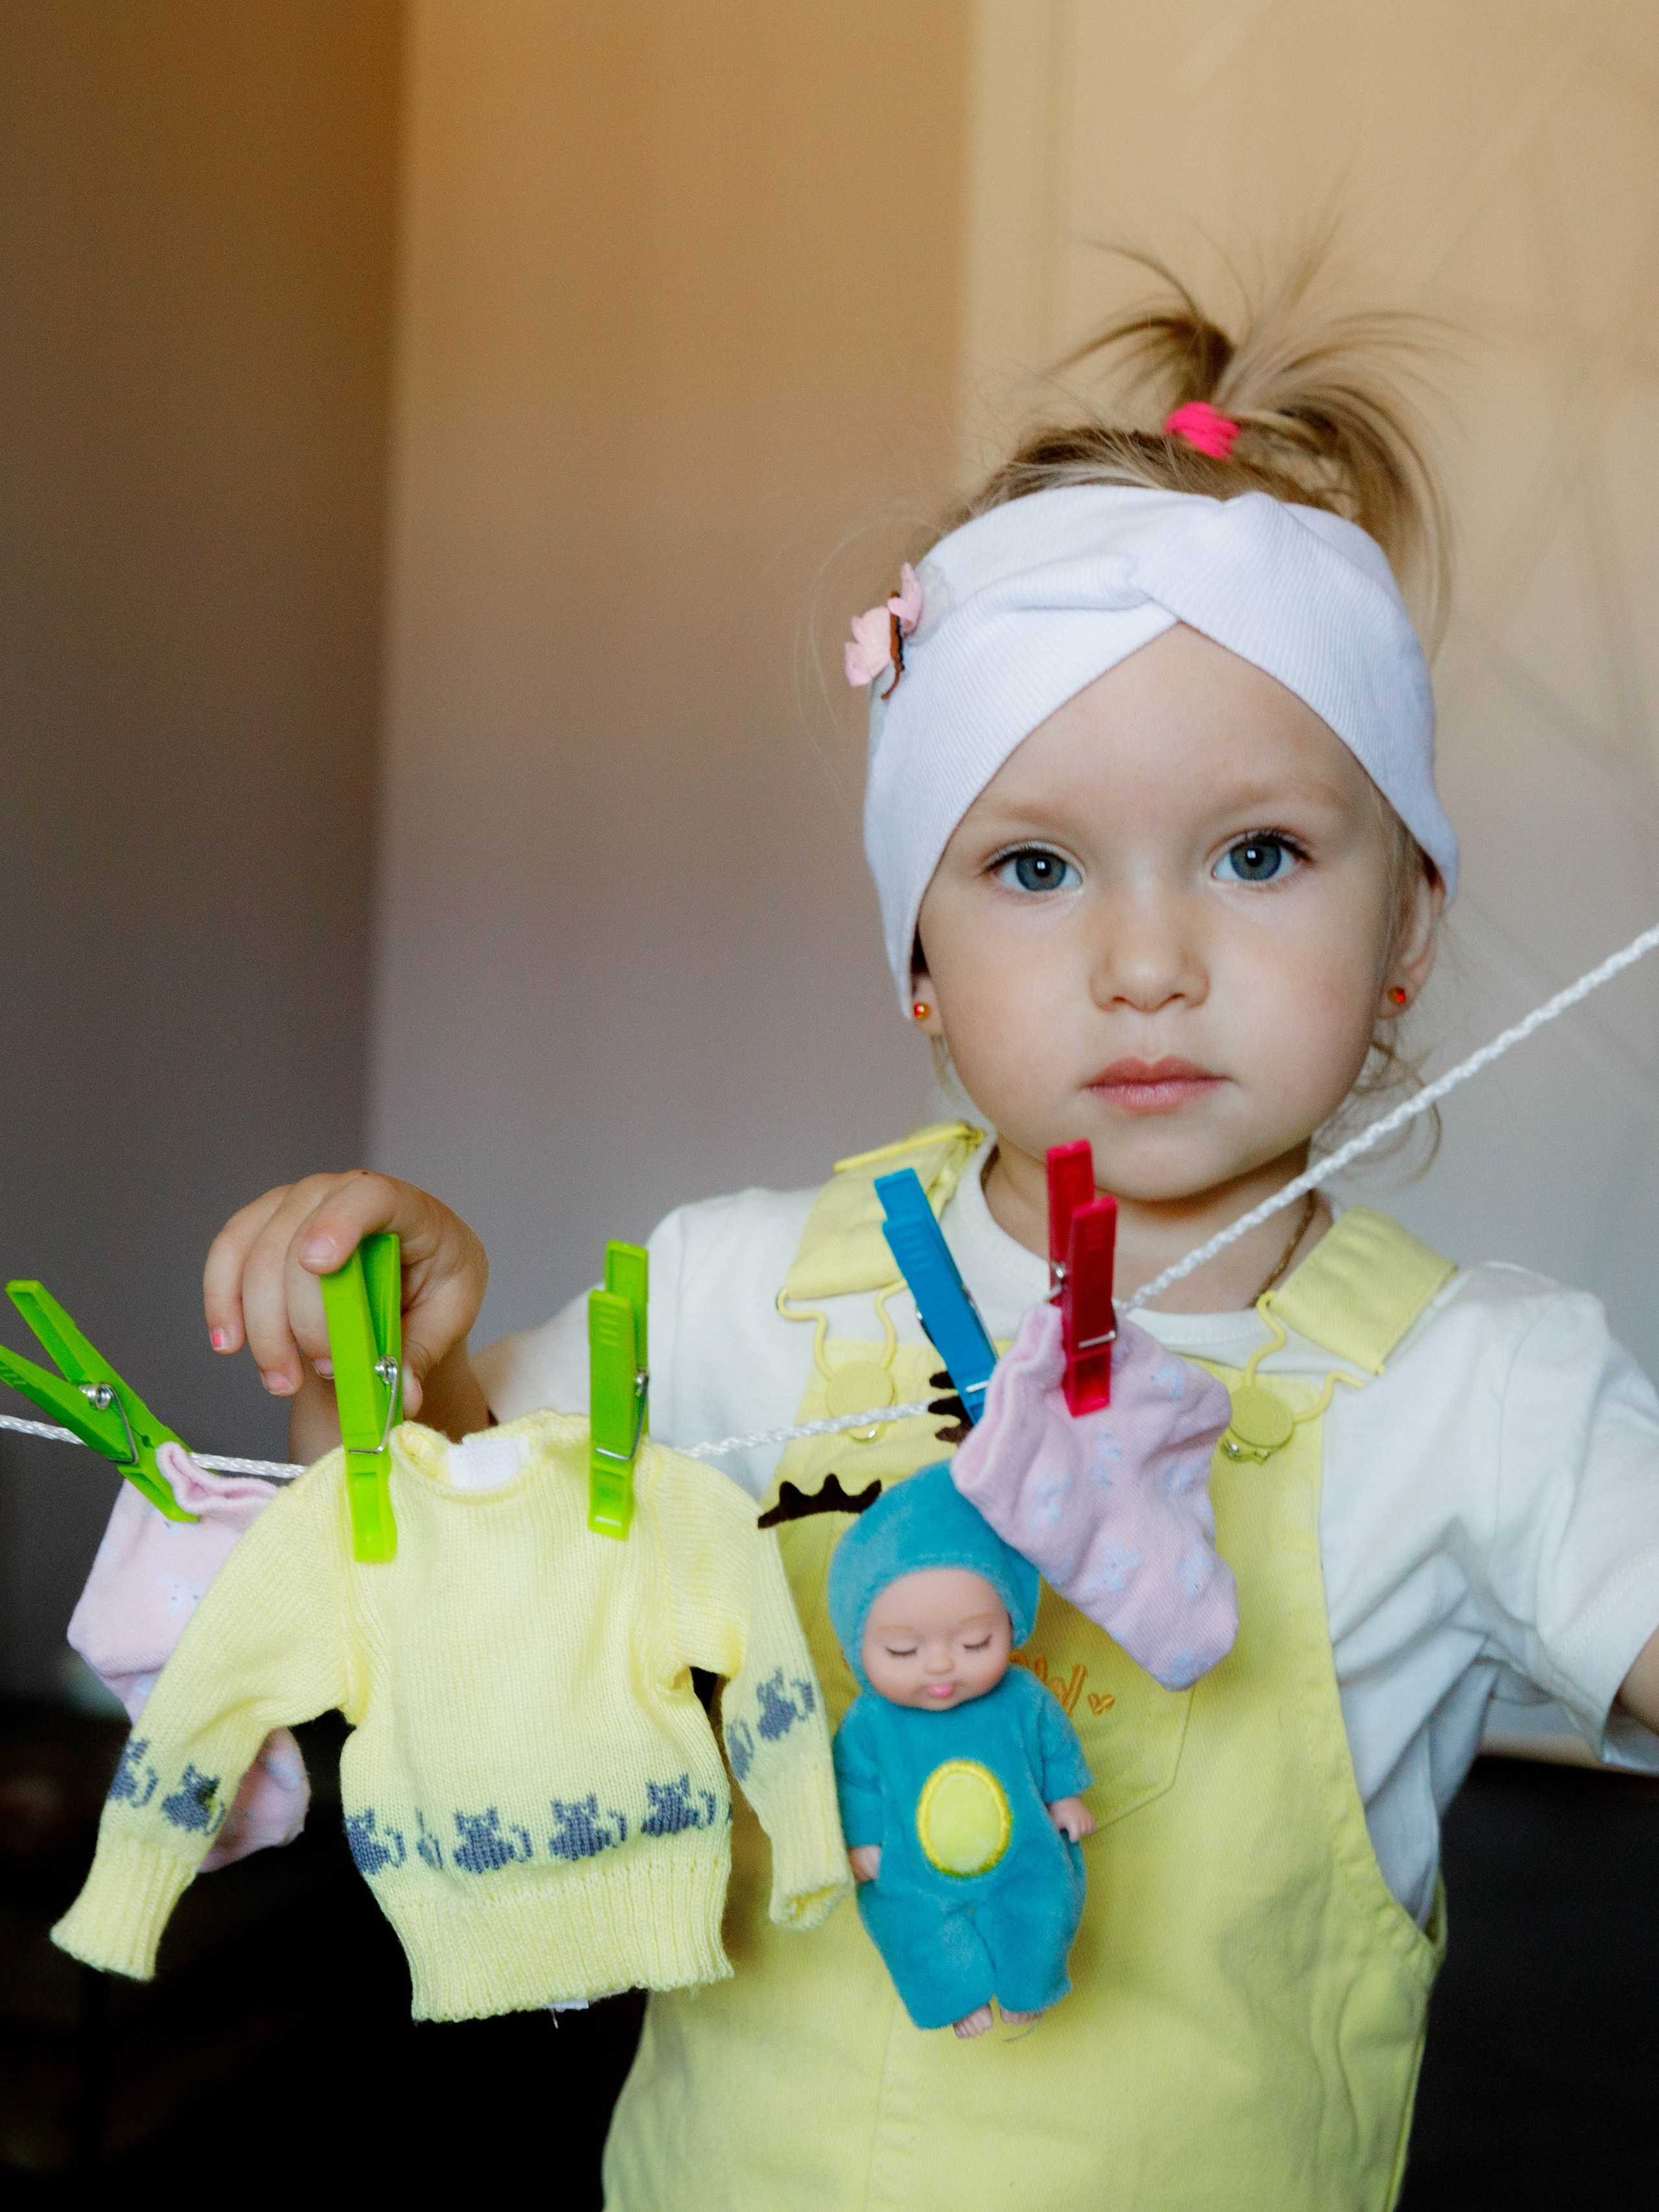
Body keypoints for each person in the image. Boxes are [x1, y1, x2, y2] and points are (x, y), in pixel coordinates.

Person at [198, 262, 1659, 2209]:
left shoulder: (1486, 1391)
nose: (1148, 962)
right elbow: (439, 1579)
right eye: (1035, 866)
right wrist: (389, 1365)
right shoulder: (730, 1295)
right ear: (920, 965)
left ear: (1400, 936)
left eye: (1257, 854)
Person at [827, 1463, 1094, 2040]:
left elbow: (1050, 1737)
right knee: (906, 1921)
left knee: (1045, 1897)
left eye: (976, 1641)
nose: (942, 1664)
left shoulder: (1020, 1695)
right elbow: (853, 1781)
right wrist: (862, 1839)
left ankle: (1031, 1980)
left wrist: (1065, 1796)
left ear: (1011, 1623)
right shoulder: (871, 1721)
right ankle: (953, 1993)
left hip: (1022, 1845)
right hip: (912, 1867)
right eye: (903, 1650)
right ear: (858, 1648)